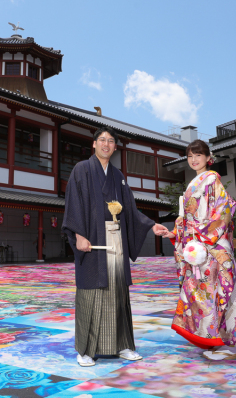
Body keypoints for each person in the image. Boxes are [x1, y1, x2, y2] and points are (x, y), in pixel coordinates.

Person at [63, 126, 170, 367]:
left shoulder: (118, 176)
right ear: (94, 144)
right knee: (91, 294)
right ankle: (86, 350)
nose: (106, 144)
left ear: (114, 146)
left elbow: (130, 209)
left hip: (115, 241)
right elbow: (74, 203)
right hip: (91, 241)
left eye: (111, 141)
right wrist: (78, 234)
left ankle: (122, 345)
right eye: (102, 140)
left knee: (118, 294)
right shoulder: (82, 170)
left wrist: (151, 226)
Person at [163, 139, 236, 360]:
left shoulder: (212, 179)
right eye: (190, 156)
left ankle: (227, 343)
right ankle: (212, 338)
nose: (194, 159)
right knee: (202, 293)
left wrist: (203, 235)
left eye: (198, 155)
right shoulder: (193, 183)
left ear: (208, 158)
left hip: (211, 245)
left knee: (220, 292)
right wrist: (175, 234)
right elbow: (186, 219)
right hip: (197, 247)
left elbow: (222, 213)